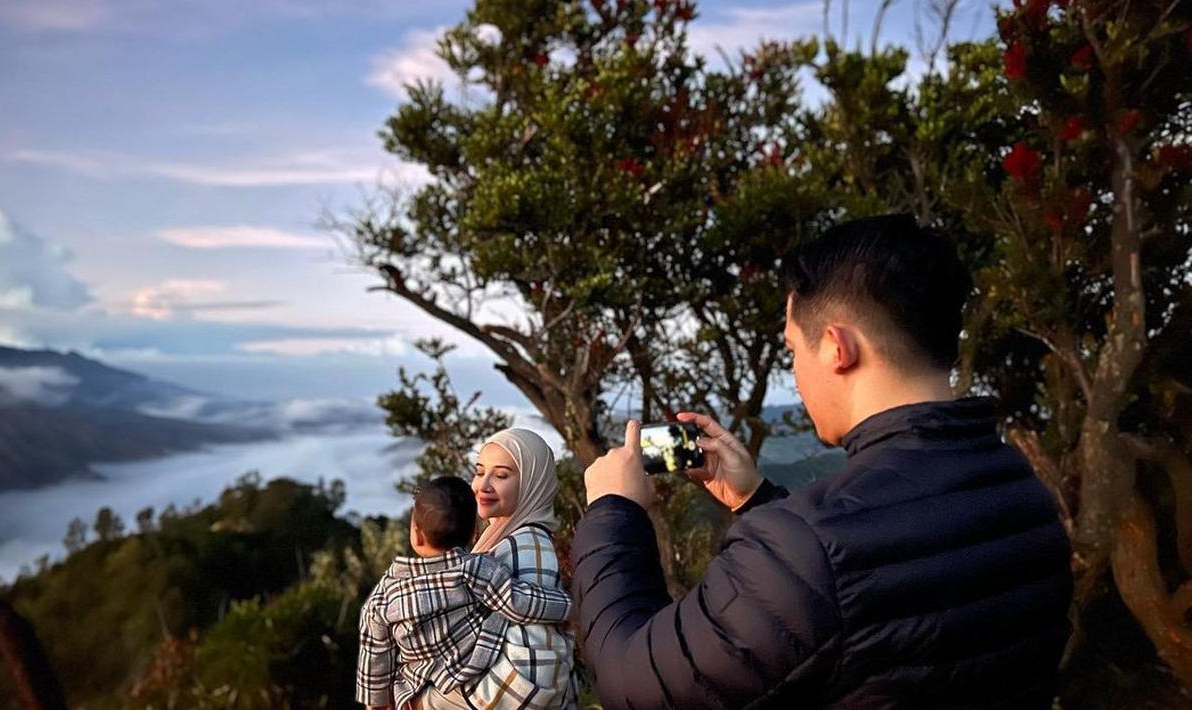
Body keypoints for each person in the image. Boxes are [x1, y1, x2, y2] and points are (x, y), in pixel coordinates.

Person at [574, 214, 1073, 708]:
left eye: (793, 349)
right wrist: (757, 502)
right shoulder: (1022, 492)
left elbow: (629, 683)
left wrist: (613, 513)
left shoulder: (808, 550)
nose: (795, 373)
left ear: (837, 347)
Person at [355, 476, 572, 710]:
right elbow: (519, 601)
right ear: (473, 534)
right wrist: (568, 605)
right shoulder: (476, 569)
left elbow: (375, 654)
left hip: (416, 687)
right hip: (475, 676)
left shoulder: (385, 595)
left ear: (416, 534)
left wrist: (376, 703)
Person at [462, 428, 578, 710]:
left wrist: (452, 701)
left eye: (501, 475)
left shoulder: (525, 546)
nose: (483, 485)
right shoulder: (500, 537)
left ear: (531, 484)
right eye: (480, 472)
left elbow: (538, 671)